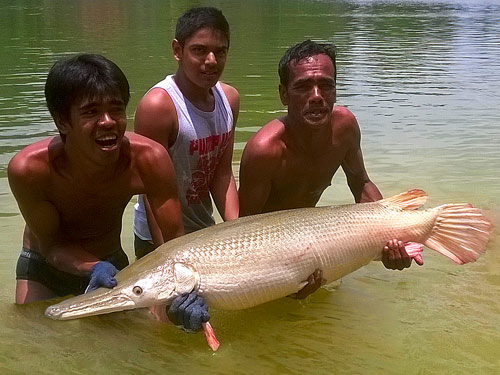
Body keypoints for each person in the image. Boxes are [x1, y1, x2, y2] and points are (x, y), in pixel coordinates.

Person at [8, 54, 207, 331]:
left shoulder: (148, 159)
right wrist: (92, 266)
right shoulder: (30, 170)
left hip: (112, 268)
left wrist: (184, 294)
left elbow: (175, 243)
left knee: (139, 345)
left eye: (116, 109)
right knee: (39, 344)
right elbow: (51, 247)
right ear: (63, 122)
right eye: (91, 112)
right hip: (45, 266)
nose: (108, 122)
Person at [239, 40, 423, 274]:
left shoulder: (345, 127)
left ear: (335, 90)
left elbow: (361, 184)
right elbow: (243, 232)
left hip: (314, 238)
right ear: (284, 94)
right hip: (271, 249)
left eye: (326, 85)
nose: (316, 96)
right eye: (303, 86)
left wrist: (394, 238)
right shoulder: (265, 151)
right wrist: (283, 274)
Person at [133, 7, 239, 259]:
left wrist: (237, 230)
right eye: (199, 50)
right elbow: (150, 192)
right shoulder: (159, 106)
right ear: (177, 50)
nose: (211, 60)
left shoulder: (229, 99)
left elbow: (222, 172)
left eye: (220, 51)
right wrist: (167, 257)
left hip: (203, 229)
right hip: (158, 236)